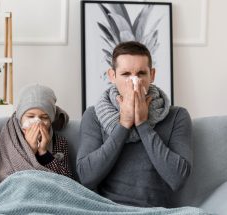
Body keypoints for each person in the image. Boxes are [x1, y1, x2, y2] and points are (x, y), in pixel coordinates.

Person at [76, 41, 192, 208]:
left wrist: (143, 123)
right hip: (106, 210)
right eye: (126, 74)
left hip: (156, 211)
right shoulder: (94, 115)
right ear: (112, 75)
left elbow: (178, 178)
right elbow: (86, 177)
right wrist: (123, 124)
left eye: (141, 73)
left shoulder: (177, 116)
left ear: (152, 75)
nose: (134, 81)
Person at [0, 84, 72, 186]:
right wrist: (30, 151)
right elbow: (2, 181)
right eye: (30, 116)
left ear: (51, 119)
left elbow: (68, 182)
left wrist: (44, 153)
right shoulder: (6, 140)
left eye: (44, 117)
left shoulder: (59, 142)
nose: (37, 122)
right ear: (20, 117)